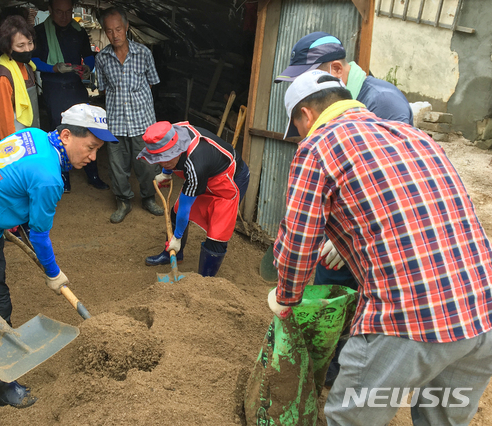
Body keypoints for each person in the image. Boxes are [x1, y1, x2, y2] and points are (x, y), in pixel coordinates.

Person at [268, 69, 492, 425]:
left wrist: (287, 300)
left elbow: (298, 244)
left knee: (352, 419)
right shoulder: (415, 136)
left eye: (297, 128)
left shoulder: (319, 146)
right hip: (481, 318)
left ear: (305, 115)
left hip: (408, 322)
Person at [0, 104, 118, 408]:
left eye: (98, 149)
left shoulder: (34, 135)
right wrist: (53, 273)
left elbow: (9, 182)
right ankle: (3, 387)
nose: (92, 157)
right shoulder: (49, 177)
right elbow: (39, 236)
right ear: (65, 135)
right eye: (90, 147)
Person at [275, 31, 414, 291]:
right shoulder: (346, 106)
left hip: (384, 238)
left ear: (337, 69)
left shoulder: (383, 104)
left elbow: (398, 184)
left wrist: (350, 234)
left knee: (339, 288)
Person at [137, 121, 250, 277]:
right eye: (159, 159)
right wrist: (166, 173)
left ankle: (205, 278)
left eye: (168, 157)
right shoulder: (170, 134)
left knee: (218, 232)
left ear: (178, 148)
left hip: (228, 181)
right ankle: (174, 254)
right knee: (175, 213)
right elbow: (167, 157)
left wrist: (176, 237)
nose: (164, 161)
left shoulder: (196, 164)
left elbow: (186, 207)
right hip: (206, 177)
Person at [96, 6, 164, 223]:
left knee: (146, 165)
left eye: (118, 29)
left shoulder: (144, 53)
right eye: (109, 31)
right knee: (117, 167)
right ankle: (123, 201)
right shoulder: (102, 58)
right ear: (104, 31)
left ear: (126, 27)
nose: (114, 35)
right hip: (116, 122)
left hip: (142, 121)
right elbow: (103, 88)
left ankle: (148, 198)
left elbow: (152, 84)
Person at [33, 0, 108, 192]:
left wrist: (87, 68)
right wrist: (53, 68)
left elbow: (89, 55)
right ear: (50, 10)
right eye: (59, 12)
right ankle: (64, 176)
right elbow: (33, 60)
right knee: (60, 131)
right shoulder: (40, 32)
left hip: (75, 85)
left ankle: (92, 174)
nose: (64, 16)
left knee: (87, 128)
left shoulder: (78, 30)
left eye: (68, 12)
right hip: (54, 86)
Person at [0, 14, 40, 151]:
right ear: (7, 48)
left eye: (30, 43)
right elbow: (5, 125)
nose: (27, 49)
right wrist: (12, 152)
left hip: (27, 136)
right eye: (21, 46)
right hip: (10, 144)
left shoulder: (28, 67)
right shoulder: (3, 78)